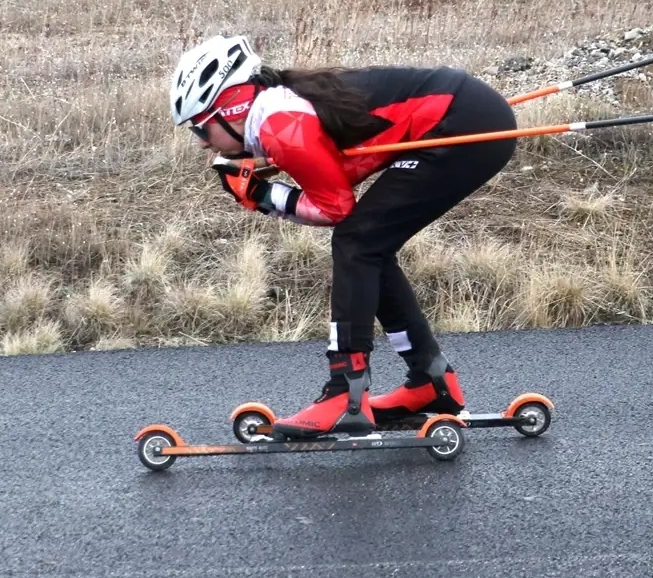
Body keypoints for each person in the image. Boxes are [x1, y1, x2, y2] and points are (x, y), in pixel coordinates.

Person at [168, 35, 518, 439]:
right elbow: (342, 176)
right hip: (463, 111)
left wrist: (265, 196)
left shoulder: (279, 122)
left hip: (465, 123)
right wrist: (267, 178)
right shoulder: (277, 111)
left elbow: (335, 208)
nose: (200, 140)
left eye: (200, 125)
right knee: (368, 242)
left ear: (232, 107)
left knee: (357, 241)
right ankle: (429, 383)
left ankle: (346, 395)